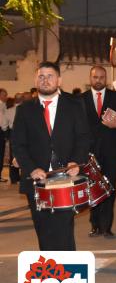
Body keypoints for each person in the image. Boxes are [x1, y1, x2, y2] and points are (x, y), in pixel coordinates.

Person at [11, 61, 90, 250]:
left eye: (50, 76)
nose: (45, 80)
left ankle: (68, 273)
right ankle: (50, 272)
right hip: (36, 181)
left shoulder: (74, 105)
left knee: (64, 229)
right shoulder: (24, 110)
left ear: (59, 80)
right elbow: (18, 144)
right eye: (41, 76)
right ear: (35, 80)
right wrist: (31, 168)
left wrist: (76, 161)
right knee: (43, 230)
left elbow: (83, 138)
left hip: (65, 178)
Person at [81, 65, 116, 237]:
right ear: (90, 78)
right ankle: (94, 224)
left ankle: (106, 226)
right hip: (89, 152)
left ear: (106, 78)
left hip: (111, 151)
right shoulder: (81, 99)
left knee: (109, 188)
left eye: (101, 77)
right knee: (92, 187)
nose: (98, 80)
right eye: (95, 77)